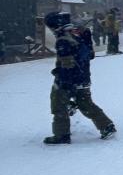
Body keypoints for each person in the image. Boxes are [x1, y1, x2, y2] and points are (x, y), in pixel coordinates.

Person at [42, 12, 116, 144]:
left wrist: (65, 83)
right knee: (86, 104)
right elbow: (90, 55)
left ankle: (61, 135)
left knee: (58, 105)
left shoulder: (63, 41)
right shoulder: (77, 35)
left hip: (69, 80)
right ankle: (106, 126)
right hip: (83, 78)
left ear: (55, 26)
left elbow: (67, 65)